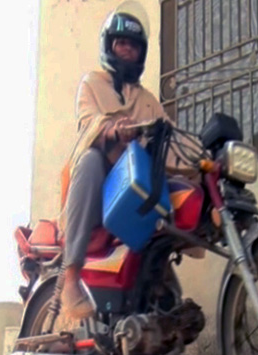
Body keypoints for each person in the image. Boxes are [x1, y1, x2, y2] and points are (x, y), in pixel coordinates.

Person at [57, 4, 199, 321]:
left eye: (134, 46)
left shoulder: (147, 99)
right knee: (92, 160)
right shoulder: (92, 83)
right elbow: (89, 121)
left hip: (134, 186)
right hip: (98, 185)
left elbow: (172, 140)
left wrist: (204, 158)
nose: (127, 50)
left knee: (172, 189)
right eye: (122, 43)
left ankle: (155, 284)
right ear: (109, 46)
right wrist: (111, 128)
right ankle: (70, 279)